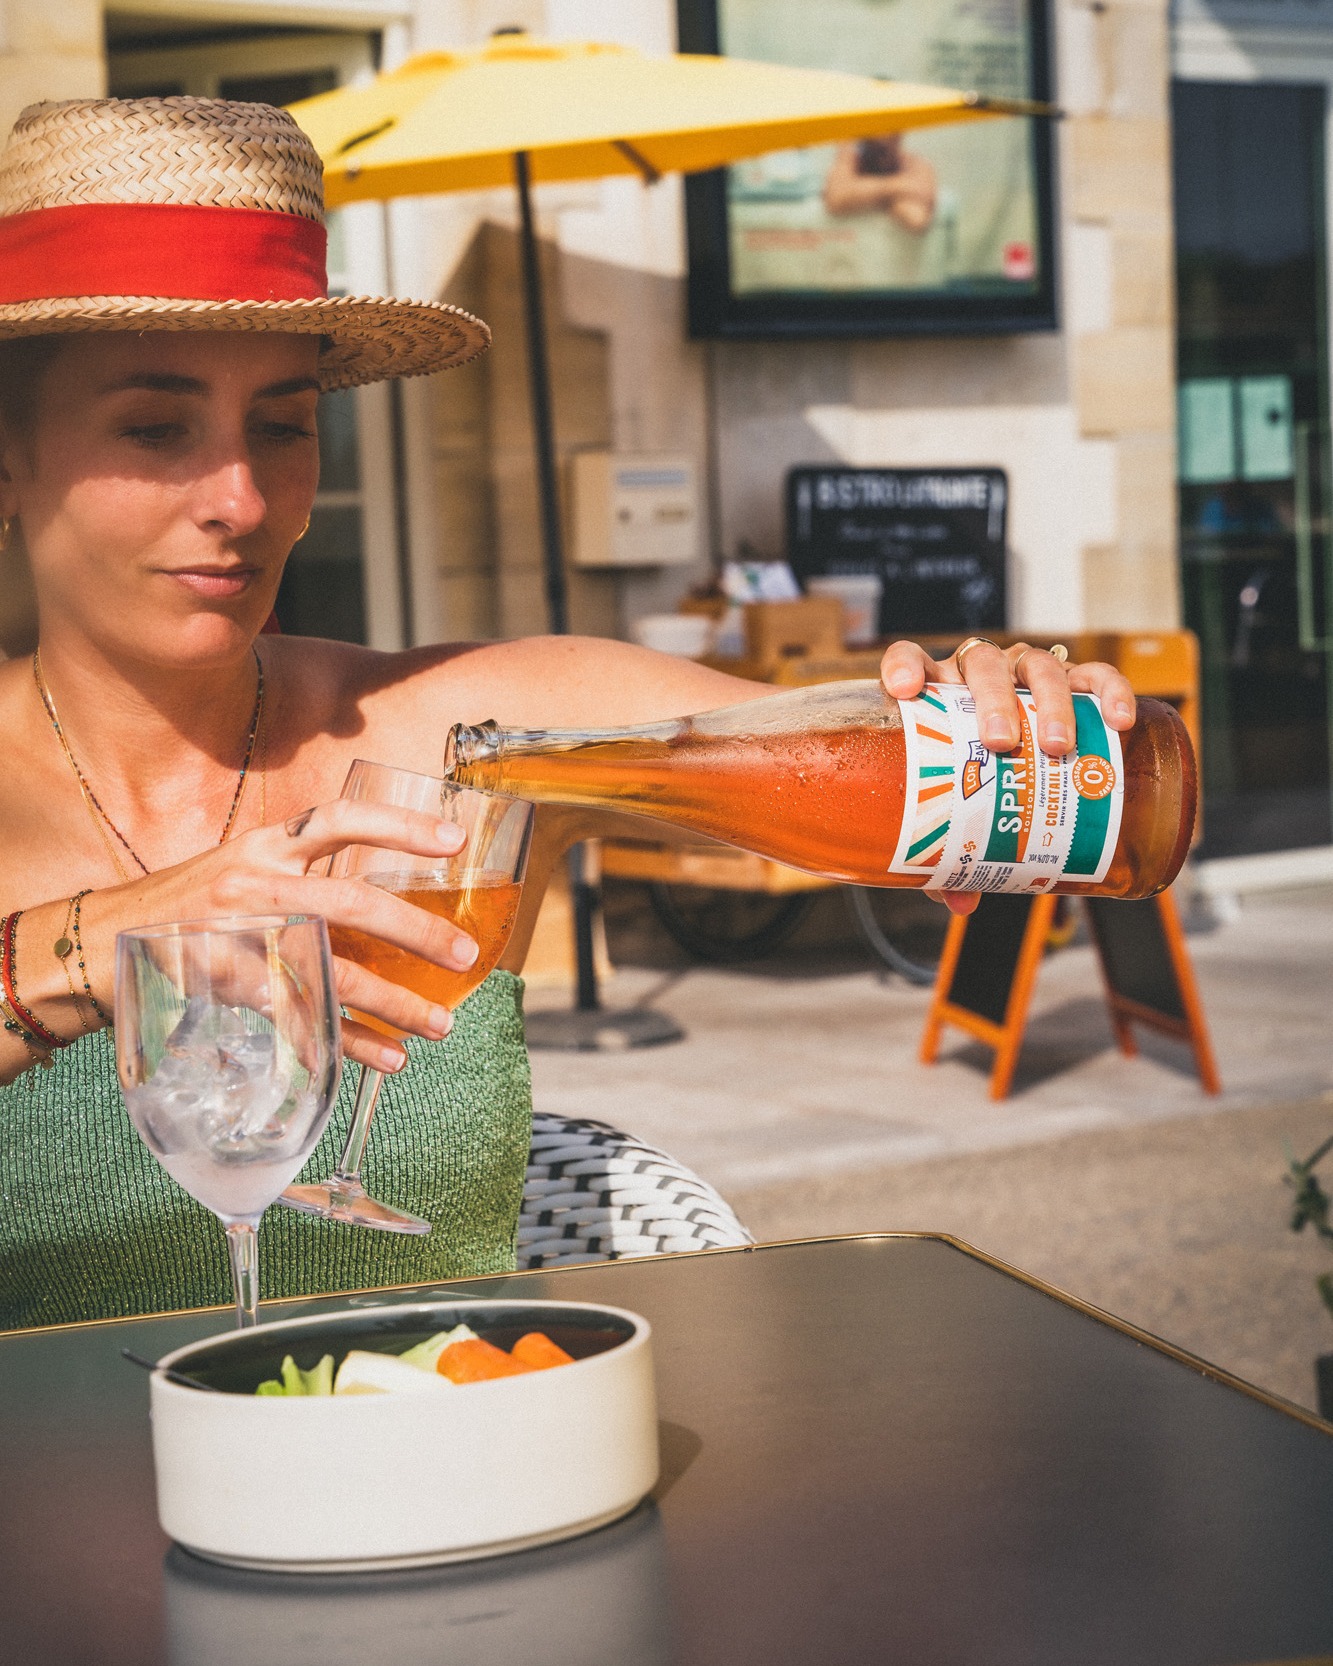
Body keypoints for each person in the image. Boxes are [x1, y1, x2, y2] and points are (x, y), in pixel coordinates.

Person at [0, 97, 1136, 1329]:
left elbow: (859, 764)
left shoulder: (481, 734)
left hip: (456, 1470)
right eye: (157, 427)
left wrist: (1000, 721)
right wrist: (87, 942)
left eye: (282, 424)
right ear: (11, 456)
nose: (240, 494)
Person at [822, 135, 937, 234]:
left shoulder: (913, 164)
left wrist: (873, 194)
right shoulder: (851, 159)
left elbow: (916, 218)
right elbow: (837, 198)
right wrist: (894, 190)